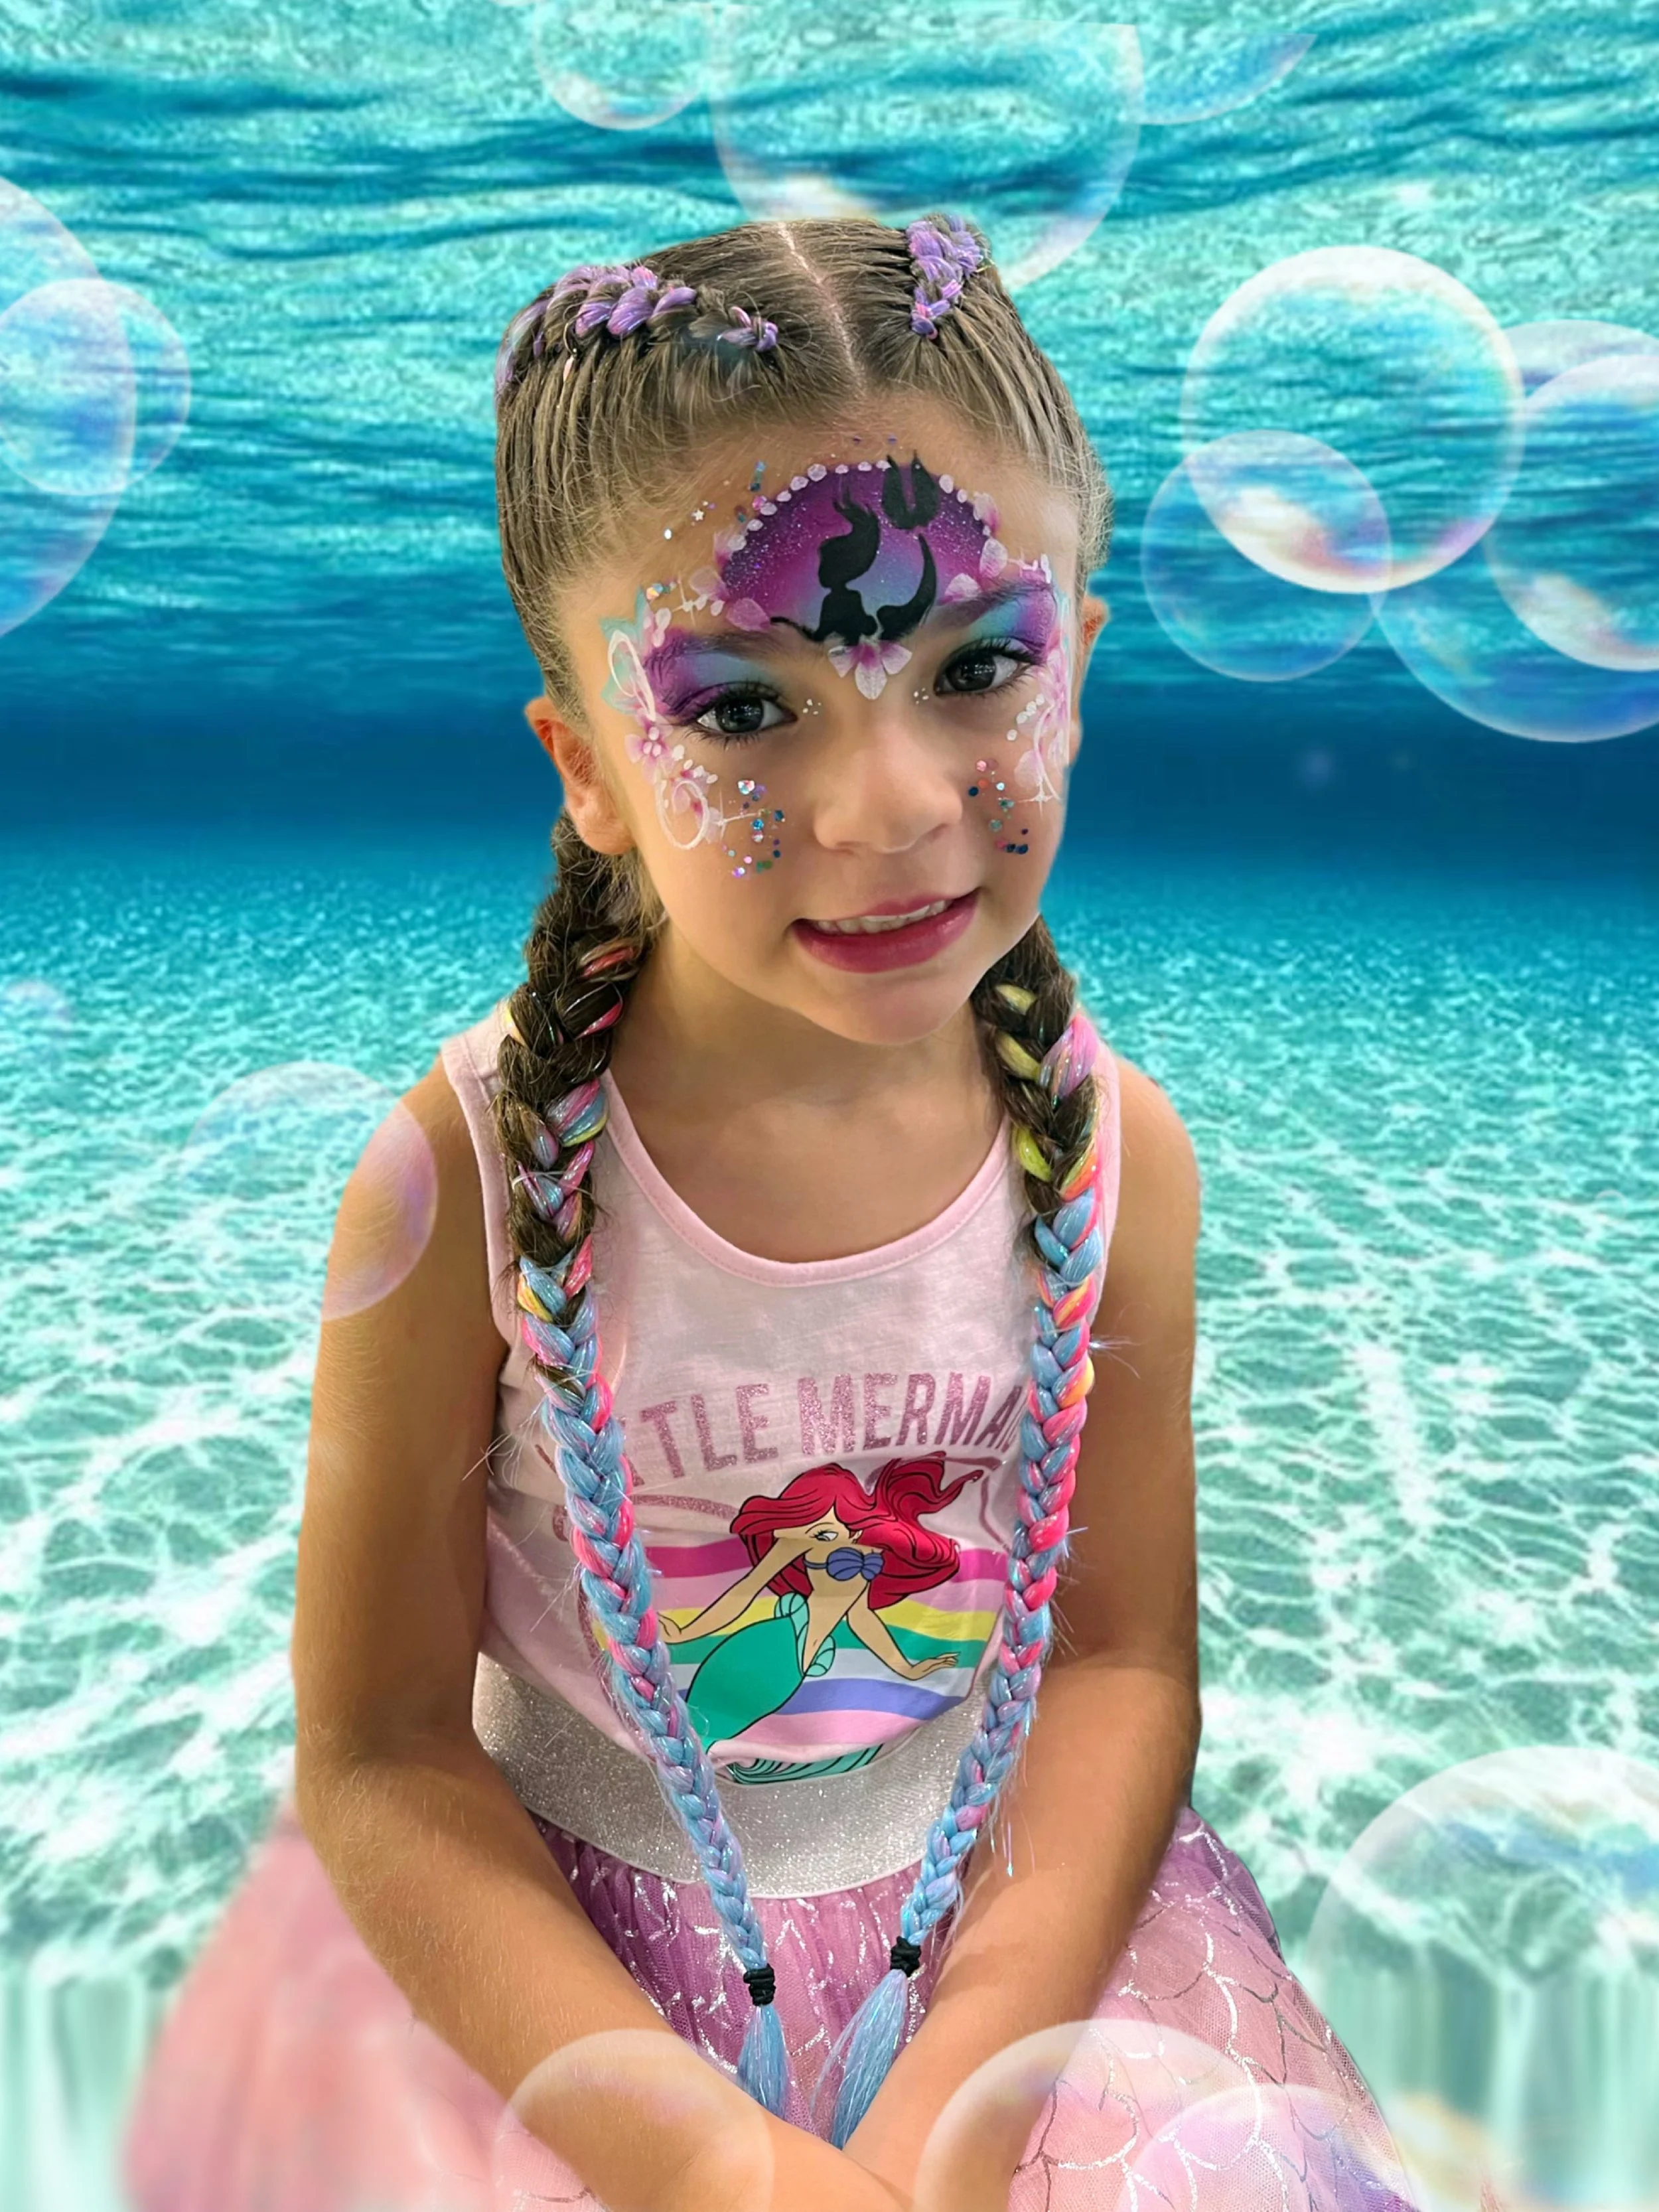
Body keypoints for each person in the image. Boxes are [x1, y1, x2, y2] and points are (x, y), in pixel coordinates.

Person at [121, 214, 1411, 2212]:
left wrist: (950, 2115)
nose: (890, 801)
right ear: (587, 774)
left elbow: (1115, 1663)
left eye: (977, 663)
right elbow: (380, 1746)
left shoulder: (1115, 1156)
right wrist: (710, 2159)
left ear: (1082, 652)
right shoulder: (467, 1166)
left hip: (1003, 1923)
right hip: (562, 1974)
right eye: (740, 707)